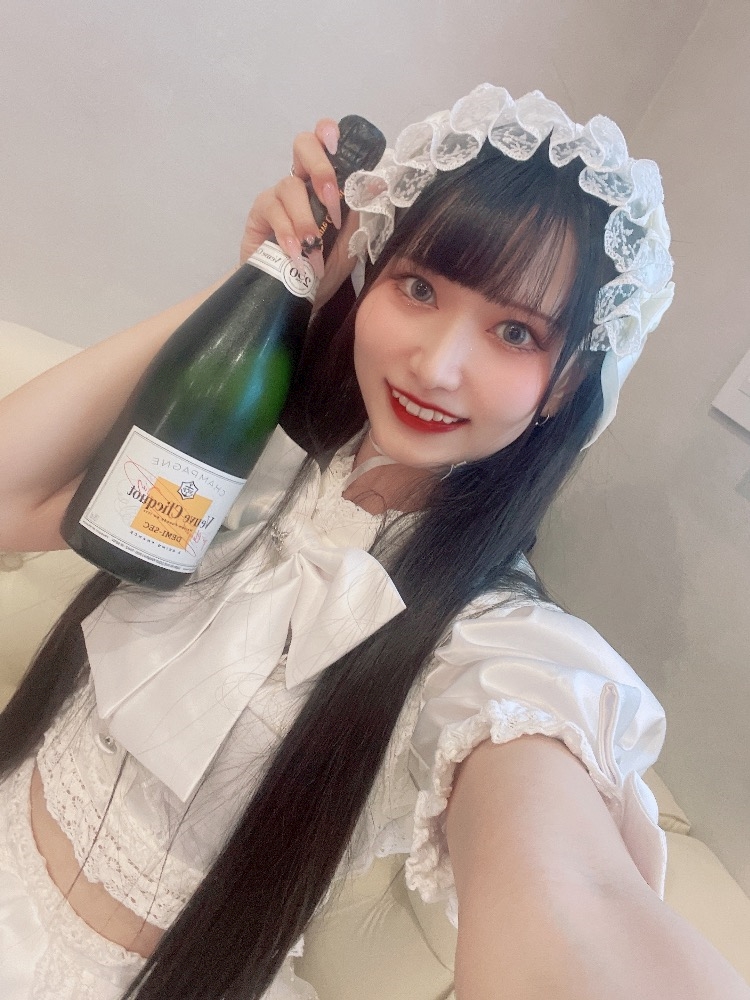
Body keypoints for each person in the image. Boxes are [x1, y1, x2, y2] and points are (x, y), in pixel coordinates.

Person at [0, 83, 746, 1000]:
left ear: (565, 384)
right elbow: (9, 493)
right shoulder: (256, 459)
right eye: (418, 286)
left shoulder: (490, 646)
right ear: (367, 275)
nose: (437, 365)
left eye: (515, 331)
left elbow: (574, 890)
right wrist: (268, 286)